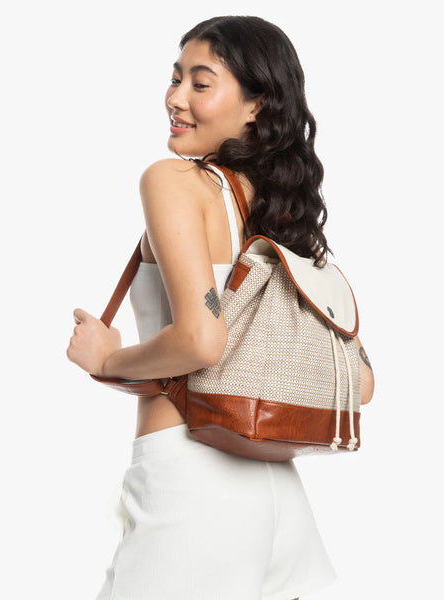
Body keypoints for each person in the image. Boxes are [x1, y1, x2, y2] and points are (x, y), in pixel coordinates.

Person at [67, 15, 375, 600]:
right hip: (277, 494)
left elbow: (200, 339)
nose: (175, 98)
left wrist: (107, 360)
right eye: (175, 77)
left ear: (257, 105)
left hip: (192, 485)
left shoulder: (174, 182)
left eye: (200, 83)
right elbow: (358, 384)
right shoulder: (285, 215)